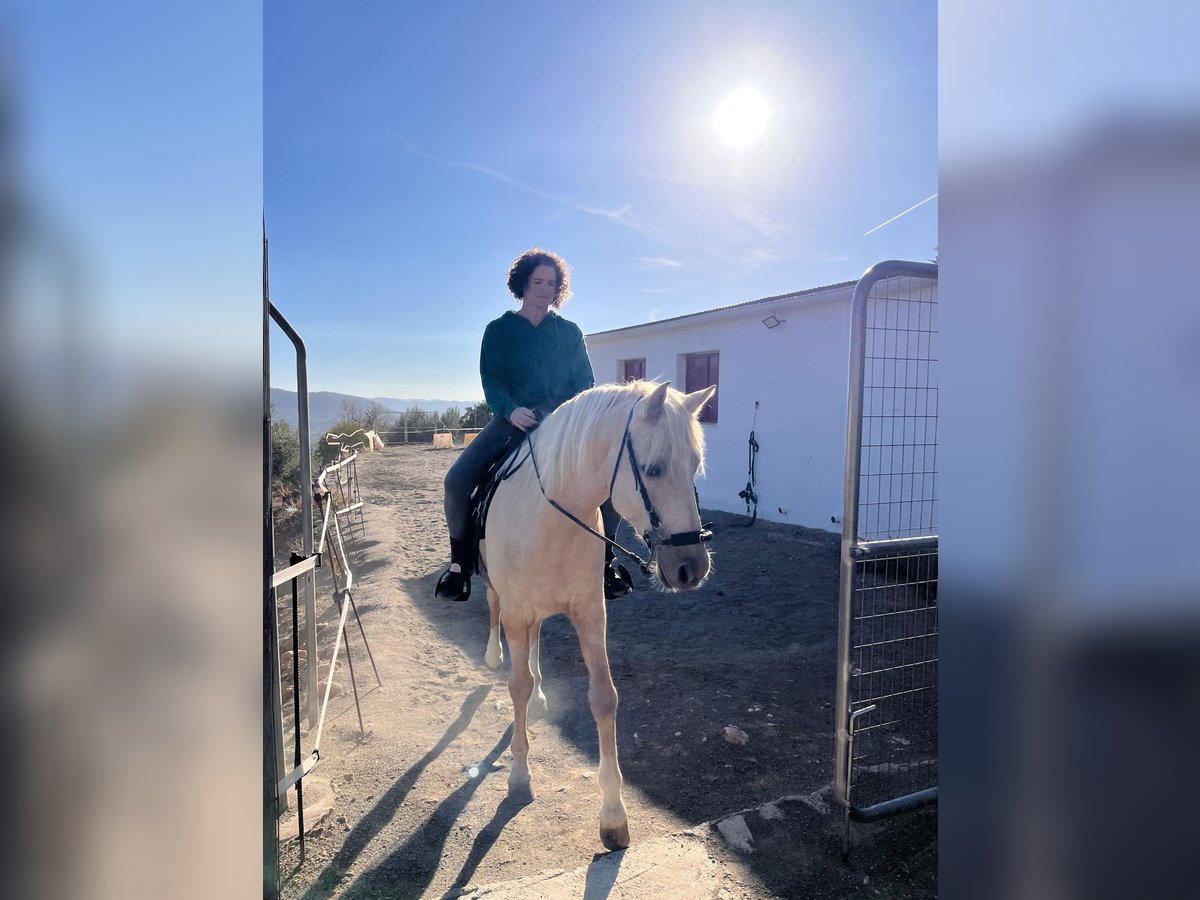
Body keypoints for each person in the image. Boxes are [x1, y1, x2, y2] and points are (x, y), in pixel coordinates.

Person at [435, 248, 632, 603]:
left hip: (563, 425)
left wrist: (560, 413)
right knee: (456, 481)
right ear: (522, 284)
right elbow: (492, 380)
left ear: (558, 289)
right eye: (537, 281)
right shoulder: (498, 330)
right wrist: (510, 410)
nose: (544, 289)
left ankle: (606, 563)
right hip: (512, 422)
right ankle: (460, 566)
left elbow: (584, 382)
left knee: (610, 476)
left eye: (551, 283)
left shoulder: (569, 332)